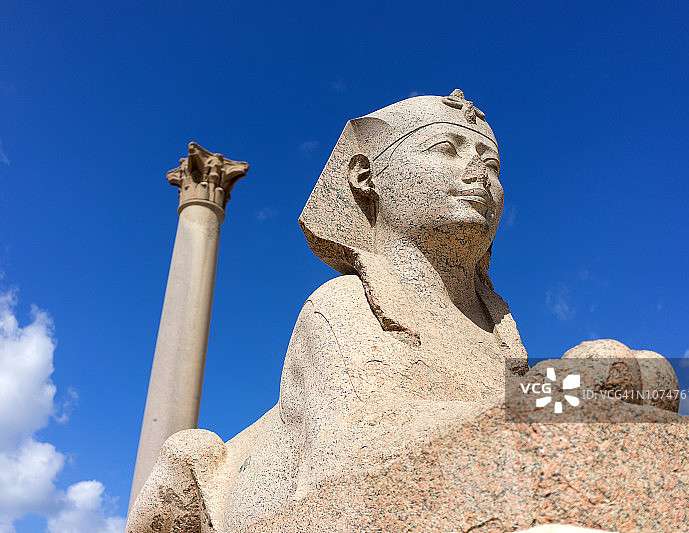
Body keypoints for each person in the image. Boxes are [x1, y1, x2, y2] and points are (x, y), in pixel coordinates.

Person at [127, 90, 530, 532]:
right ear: (364, 176)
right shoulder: (340, 307)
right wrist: (562, 403)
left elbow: (540, 410)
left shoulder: (498, 333)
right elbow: (352, 461)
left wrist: (601, 389)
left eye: (492, 165)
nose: (478, 174)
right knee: (188, 450)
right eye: (445, 150)